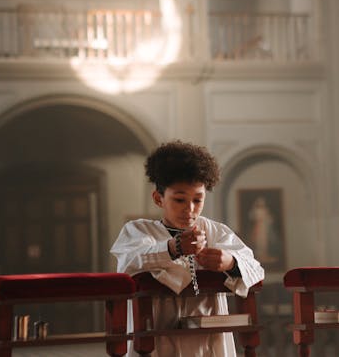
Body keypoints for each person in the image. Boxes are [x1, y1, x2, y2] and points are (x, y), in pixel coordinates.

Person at [110, 140, 265, 357]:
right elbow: (129, 261)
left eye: (197, 200)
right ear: (158, 198)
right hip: (157, 336)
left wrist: (229, 261)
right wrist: (172, 248)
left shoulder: (215, 231)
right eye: (180, 199)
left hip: (208, 342)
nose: (189, 209)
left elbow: (255, 268)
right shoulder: (138, 230)